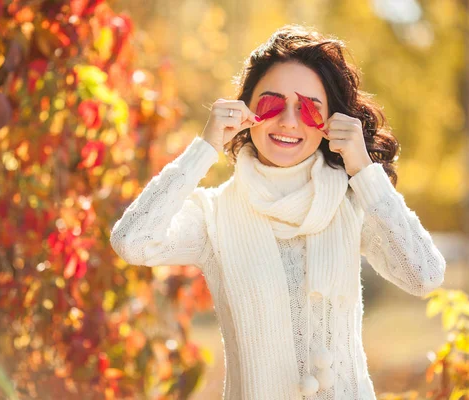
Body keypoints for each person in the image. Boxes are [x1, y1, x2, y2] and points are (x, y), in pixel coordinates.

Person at [110, 24, 446, 399]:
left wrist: (364, 170)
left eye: (308, 108)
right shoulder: (213, 215)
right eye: (271, 104)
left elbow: (424, 275)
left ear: (329, 123)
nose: (288, 121)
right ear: (245, 111)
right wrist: (204, 148)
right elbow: (132, 241)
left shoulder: (352, 202)